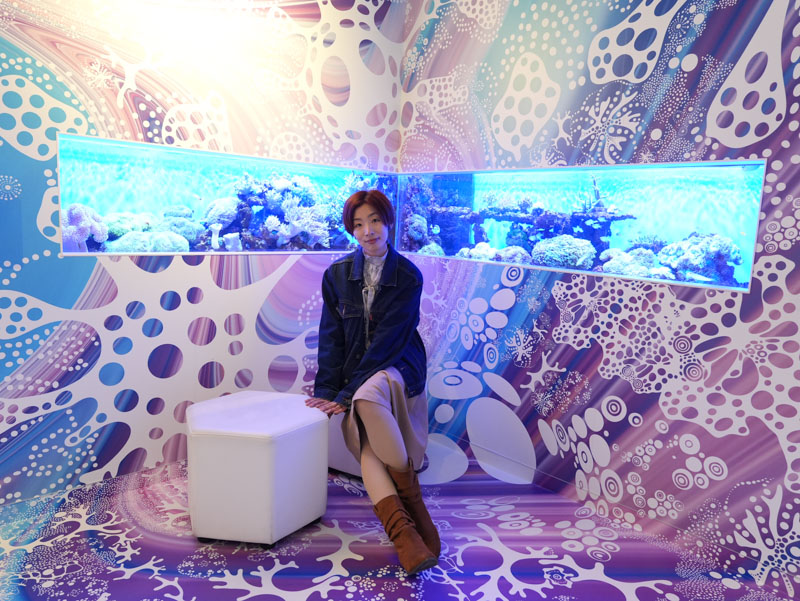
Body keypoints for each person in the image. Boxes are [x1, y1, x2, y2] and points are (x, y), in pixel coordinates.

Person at [305, 189, 439, 576]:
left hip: (397, 363)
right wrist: (327, 391)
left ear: (388, 222)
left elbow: (387, 343)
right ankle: (406, 534)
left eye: (375, 220)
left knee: (363, 400)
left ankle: (413, 509)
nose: (368, 231)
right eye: (359, 224)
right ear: (352, 230)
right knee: (367, 437)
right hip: (356, 369)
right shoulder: (336, 276)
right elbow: (331, 337)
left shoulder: (408, 276)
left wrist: (347, 393)